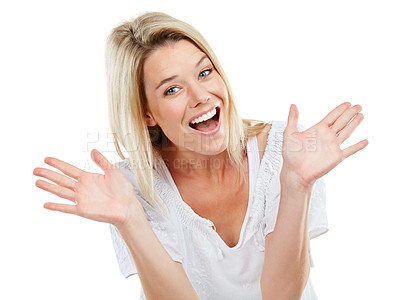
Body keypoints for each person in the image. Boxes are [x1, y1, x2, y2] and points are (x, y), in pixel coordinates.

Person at [33, 12, 368, 300]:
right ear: (147, 114)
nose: (201, 96)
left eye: (204, 72)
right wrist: (130, 219)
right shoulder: (131, 188)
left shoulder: (287, 151)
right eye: (172, 89)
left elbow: (282, 296)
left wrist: (296, 184)